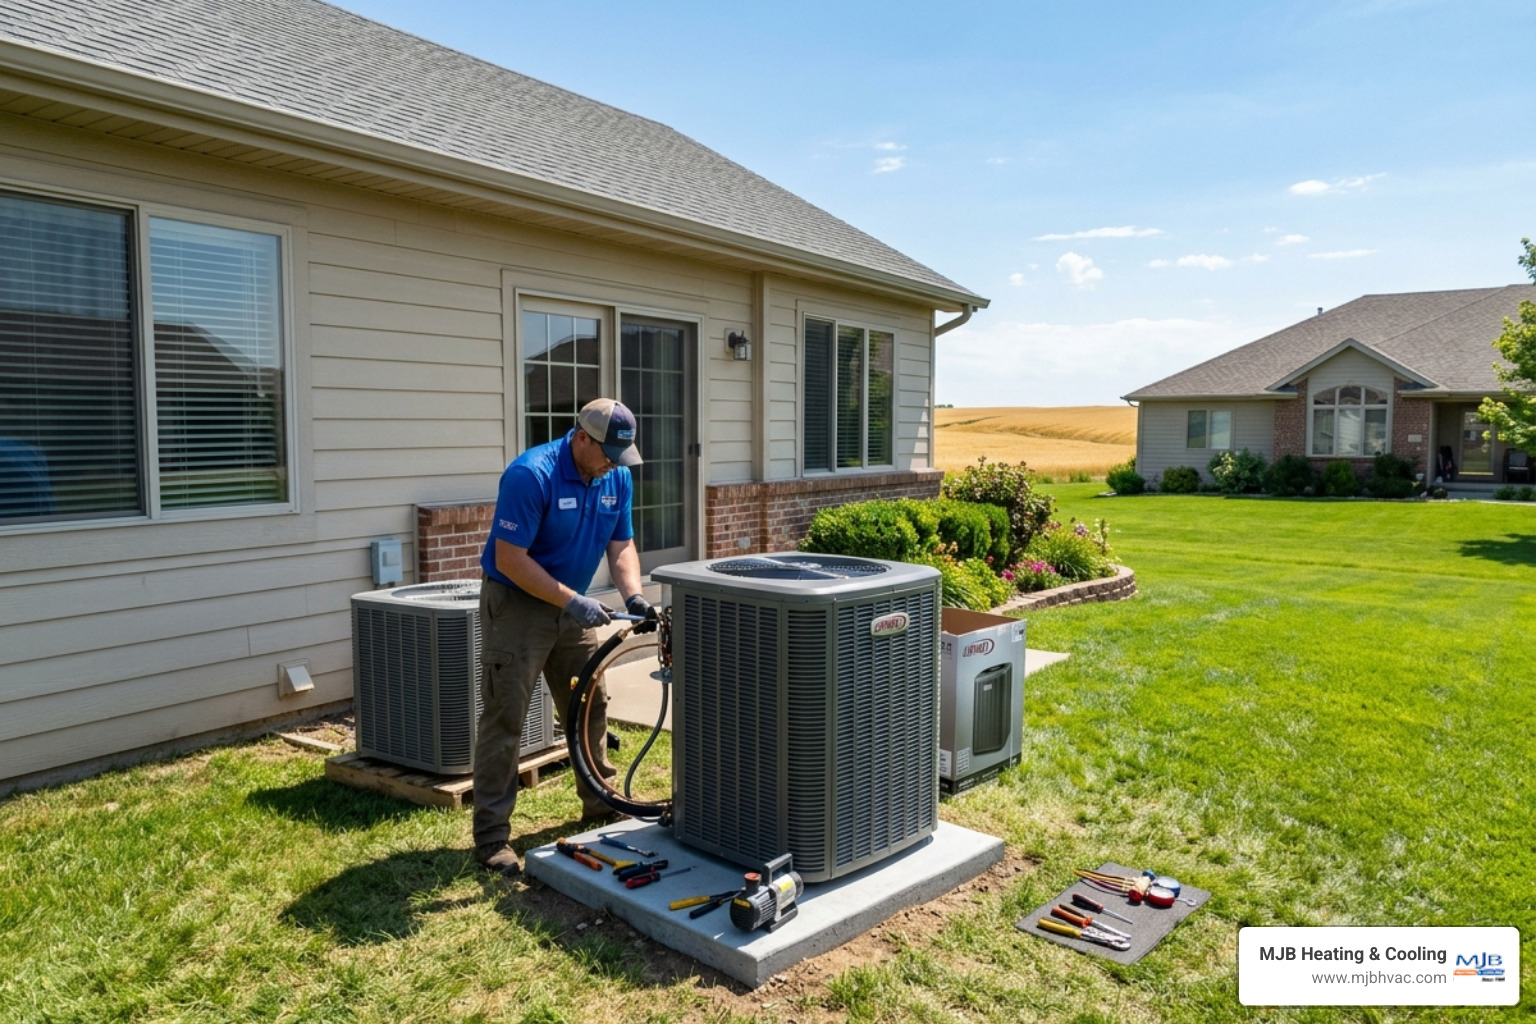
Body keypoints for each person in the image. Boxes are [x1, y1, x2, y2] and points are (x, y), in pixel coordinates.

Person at [472, 398, 657, 877]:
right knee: (505, 716)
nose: (614, 465)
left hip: (572, 607)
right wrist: (573, 601)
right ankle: (492, 838)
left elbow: (622, 544)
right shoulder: (530, 475)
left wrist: (633, 596)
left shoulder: (616, 475)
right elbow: (511, 559)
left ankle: (601, 806)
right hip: (517, 605)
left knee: (589, 705)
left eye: (621, 457)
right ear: (581, 438)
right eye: (608, 455)